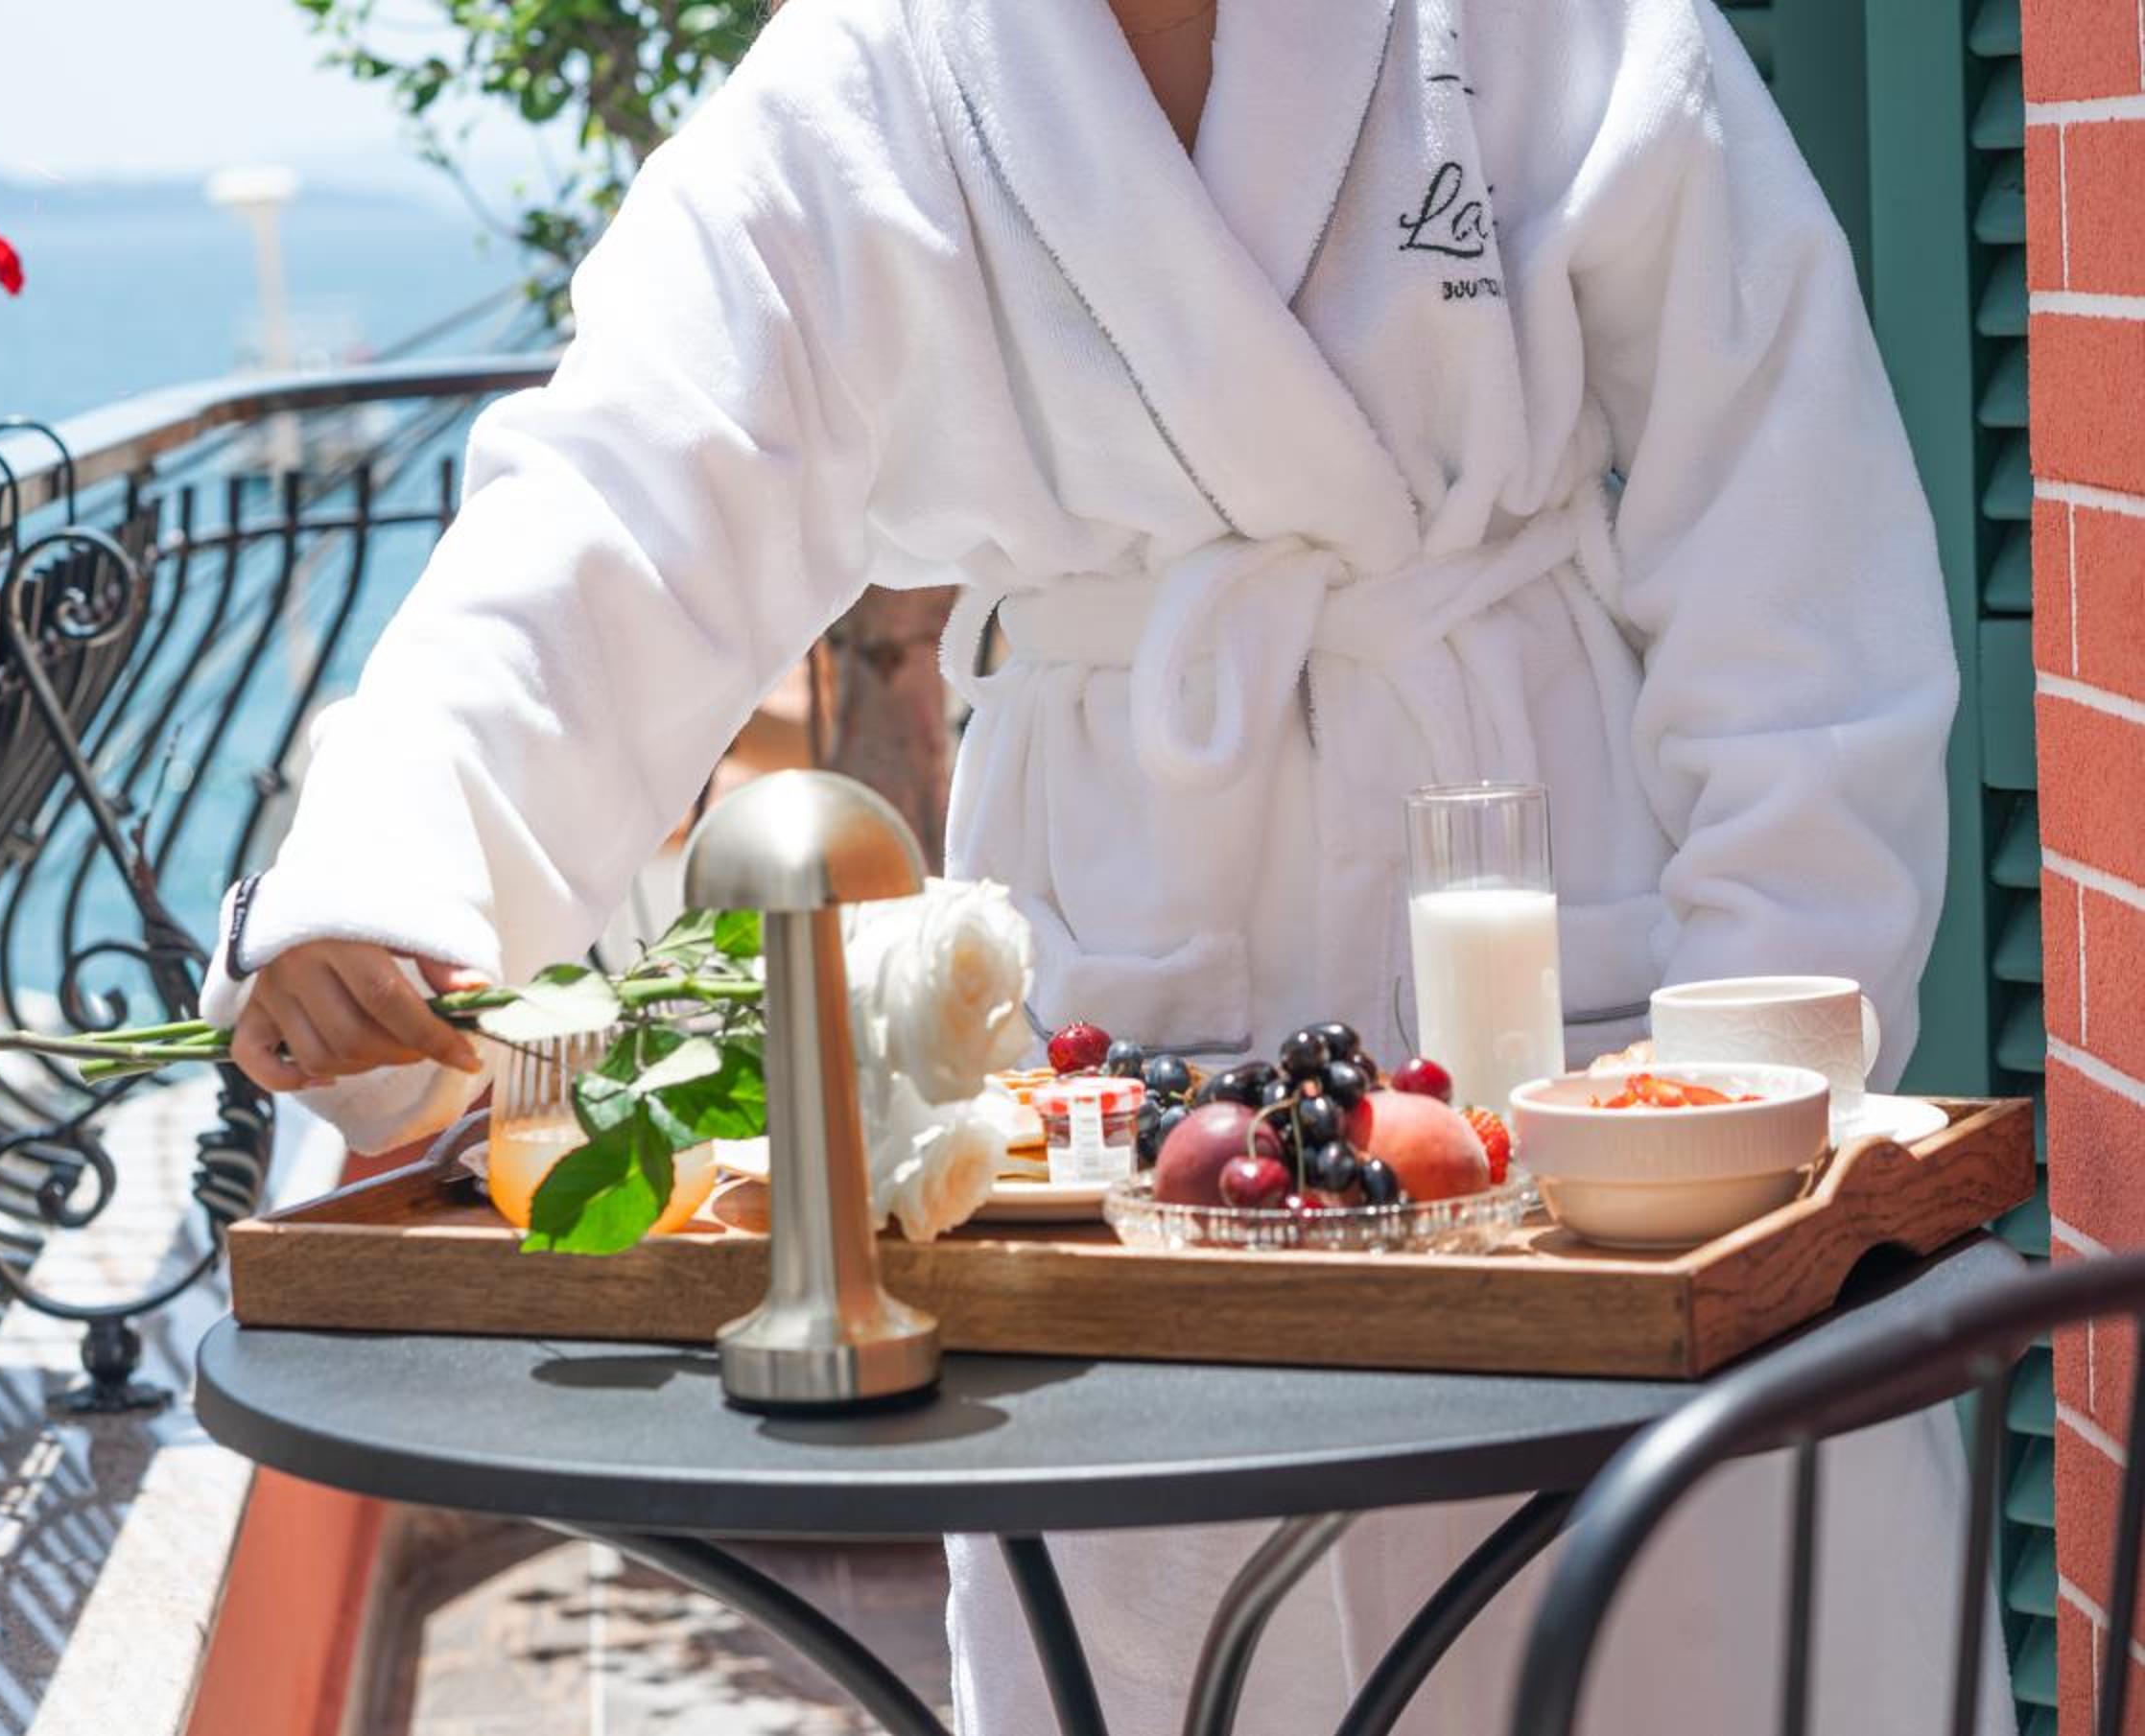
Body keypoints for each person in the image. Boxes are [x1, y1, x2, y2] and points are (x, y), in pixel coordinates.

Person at [202, 0, 1998, 1729]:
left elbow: (1785, 518)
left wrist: (1757, 1066)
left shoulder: (1544, 26)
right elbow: (621, 496)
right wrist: (391, 877)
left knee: (1674, 1612)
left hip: (1547, 900)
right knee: (1171, 1625)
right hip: (1112, 981)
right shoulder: (878, 70)